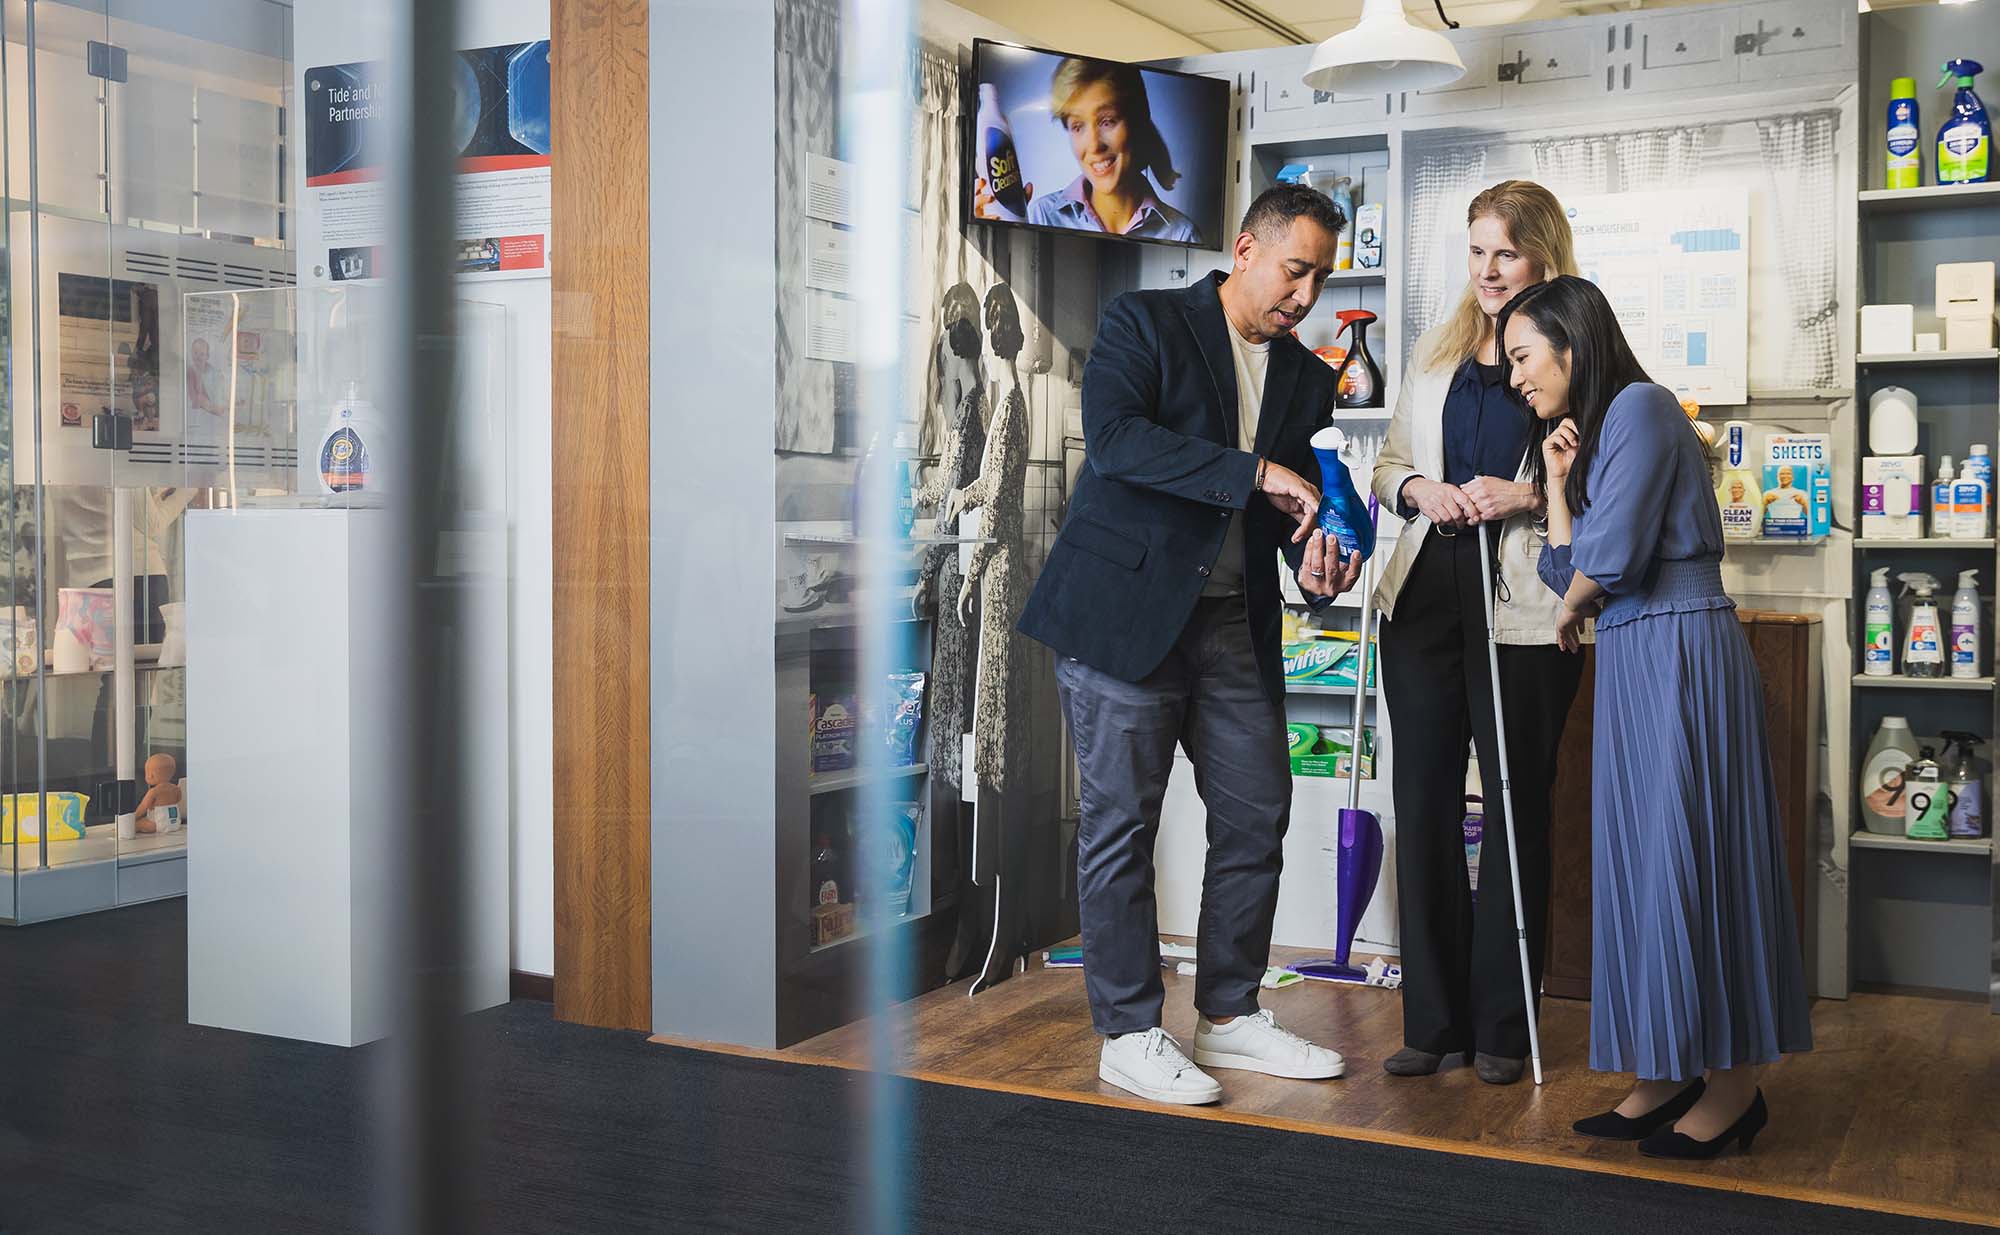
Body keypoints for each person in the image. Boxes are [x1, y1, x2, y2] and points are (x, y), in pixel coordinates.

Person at [1018, 185, 1362, 1105]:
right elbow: (1120, 440)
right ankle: (1128, 1032)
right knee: (1120, 828)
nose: (1306, 294)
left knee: (1257, 815)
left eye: (1321, 278)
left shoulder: (1307, 375)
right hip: (1121, 619)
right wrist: (1251, 469)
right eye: (1296, 270)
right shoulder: (1146, 321)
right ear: (1246, 248)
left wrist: (1317, 564)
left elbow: (1289, 514)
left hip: (1231, 626)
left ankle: (1229, 1013)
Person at [1505, 274, 1813, 1159]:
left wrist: (1573, 600)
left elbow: (1600, 567)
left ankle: (1734, 1084)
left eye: (1526, 357)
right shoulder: (1598, 435)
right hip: (1640, 650)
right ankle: (1664, 1069)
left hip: (1678, 647)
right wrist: (1559, 482)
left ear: (1571, 345)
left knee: (1695, 855)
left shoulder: (1640, 407)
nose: (1519, 376)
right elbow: (1573, 571)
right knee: (1643, 863)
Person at [1367, 180, 1583, 1086]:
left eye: (1506, 253)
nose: (1489, 271)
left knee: (1514, 808)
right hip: (1422, 601)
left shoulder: (1574, 351)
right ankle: (1434, 1021)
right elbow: (1387, 467)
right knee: (1419, 807)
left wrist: (1526, 493)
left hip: (1525, 613)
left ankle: (1501, 1024)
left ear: (1543, 257)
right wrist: (1419, 490)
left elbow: (1605, 472)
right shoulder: (1436, 352)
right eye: (1477, 251)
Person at [974, 57, 1201, 245]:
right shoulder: (1042, 216)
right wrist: (991, 235)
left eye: (1107, 121)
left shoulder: (1182, 234)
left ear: (1138, 119)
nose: (1093, 146)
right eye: (1078, 126)